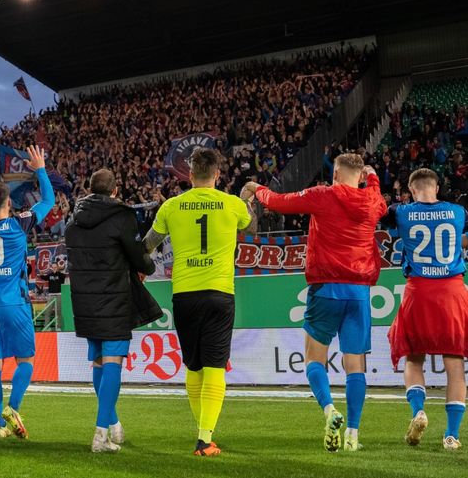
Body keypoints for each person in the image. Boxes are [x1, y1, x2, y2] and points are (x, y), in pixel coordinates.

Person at [244, 153, 387, 452]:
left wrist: (257, 188)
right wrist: (371, 177)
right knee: (355, 365)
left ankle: (329, 410)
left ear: (335, 172)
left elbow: (278, 201)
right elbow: (379, 197)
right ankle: (353, 434)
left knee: (313, 358)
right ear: (359, 176)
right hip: (359, 291)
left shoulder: (322, 195)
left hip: (326, 288)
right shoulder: (372, 200)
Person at [144, 149, 257, 457]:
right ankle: (205, 437)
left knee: (193, 366)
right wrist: (248, 201)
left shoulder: (171, 206)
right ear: (217, 175)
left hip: (184, 294)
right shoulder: (233, 205)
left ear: (189, 175)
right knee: (215, 365)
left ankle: (204, 433)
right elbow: (252, 228)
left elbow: (148, 245)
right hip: (220, 293)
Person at [65, 168, 161, 453]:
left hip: (85, 300)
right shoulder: (122, 216)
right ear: (115, 191)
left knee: (98, 363)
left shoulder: (74, 220)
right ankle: (100, 434)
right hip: (115, 298)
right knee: (113, 362)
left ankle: (113, 422)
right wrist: (148, 265)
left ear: (90, 190)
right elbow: (138, 258)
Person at [0, 145, 54, 438]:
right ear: (7, 203)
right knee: (26, 361)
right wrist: (40, 168)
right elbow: (49, 200)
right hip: (14, 304)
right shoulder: (20, 223)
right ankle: (13, 408)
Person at [383, 168, 468, 451]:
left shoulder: (401, 212)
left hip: (419, 291)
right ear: (436, 187)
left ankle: (419, 412)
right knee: (455, 366)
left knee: (414, 359)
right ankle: (451, 436)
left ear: (410, 190)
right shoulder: (458, 212)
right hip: (452, 291)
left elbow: (374, 214)